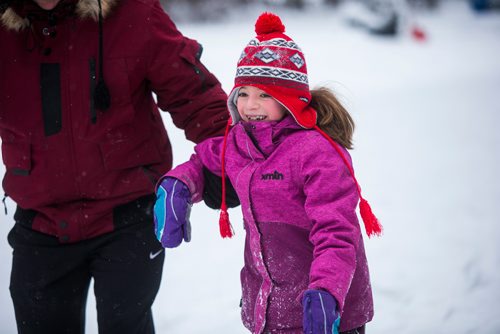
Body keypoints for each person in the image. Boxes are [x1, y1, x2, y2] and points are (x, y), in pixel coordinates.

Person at [0, 0, 233, 332]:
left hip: (127, 218)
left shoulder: (134, 13)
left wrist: (224, 155)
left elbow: (194, 96)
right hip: (41, 223)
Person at [154, 12, 382, 334]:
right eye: (243, 93)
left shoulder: (317, 153)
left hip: (324, 310)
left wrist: (327, 291)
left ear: (291, 100)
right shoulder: (239, 141)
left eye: (264, 95)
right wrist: (178, 185)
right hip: (268, 311)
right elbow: (205, 159)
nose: (250, 105)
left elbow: (336, 232)